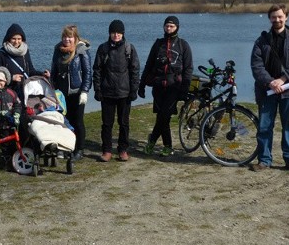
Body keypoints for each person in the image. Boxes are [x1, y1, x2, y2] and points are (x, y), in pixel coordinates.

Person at [249, 4, 289, 172]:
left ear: (286, 17)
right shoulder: (261, 41)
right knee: (265, 126)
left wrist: (282, 79)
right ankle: (264, 161)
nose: (277, 20)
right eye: (273, 17)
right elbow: (256, 66)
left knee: (288, 126)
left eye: (280, 16)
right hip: (266, 91)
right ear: (269, 18)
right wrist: (271, 82)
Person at [138, 16, 193, 157]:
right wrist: (142, 84)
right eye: (167, 26)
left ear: (177, 28)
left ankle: (153, 141)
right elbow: (149, 65)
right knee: (162, 118)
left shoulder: (183, 45)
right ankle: (167, 147)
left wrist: (184, 89)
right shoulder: (158, 44)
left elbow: (188, 69)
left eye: (172, 26)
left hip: (174, 87)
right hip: (158, 86)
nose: (168, 29)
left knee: (164, 116)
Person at [92, 19, 140, 162]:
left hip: (124, 93)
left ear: (123, 33)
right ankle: (107, 150)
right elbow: (97, 70)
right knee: (107, 124)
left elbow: (135, 71)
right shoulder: (103, 48)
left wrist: (134, 90)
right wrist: (97, 89)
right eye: (113, 32)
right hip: (107, 93)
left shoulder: (129, 49)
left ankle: (123, 150)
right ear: (109, 33)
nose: (116, 35)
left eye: (119, 32)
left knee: (124, 123)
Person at [51, 25, 92, 161]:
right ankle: (65, 147)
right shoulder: (58, 50)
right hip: (61, 94)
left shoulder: (82, 51)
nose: (67, 39)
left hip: (77, 92)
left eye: (70, 37)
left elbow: (87, 73)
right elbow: (54, 71)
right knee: (63, 121)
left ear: (75, 38)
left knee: (78, 121)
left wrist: (85, 91)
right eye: (64, 36)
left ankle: (79, 149)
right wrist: (52, 89)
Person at [0, 23, 49, 100]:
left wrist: (42, 74)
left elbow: (30, 71)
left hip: (24, 91)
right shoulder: (0, 54)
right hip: (7, 93)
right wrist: (11, 78)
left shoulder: (25, 52)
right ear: (8, 39)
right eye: (14, 39)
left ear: (22, 39)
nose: (16, 41)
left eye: (19, 39)